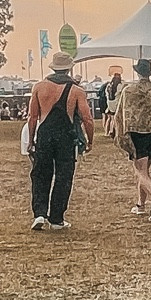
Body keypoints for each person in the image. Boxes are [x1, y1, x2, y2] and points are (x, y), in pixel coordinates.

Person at [26, 50, 95, 230]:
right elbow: (87, 118)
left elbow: (32, 117)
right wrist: (90, 140)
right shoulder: (77, 90)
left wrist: (31, 139)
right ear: (69, 69)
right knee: (64, 176)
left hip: (44, 134)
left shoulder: (39, 87)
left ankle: (39, 213)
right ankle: (56, 218)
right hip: (66, 135)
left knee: (40, 174)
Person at [114, 61, 151, 219]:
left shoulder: (129, 90)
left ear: (137, 72)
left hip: (136, 133)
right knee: (144, 170)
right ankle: (140, 205)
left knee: (140, 171)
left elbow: (120, 113)